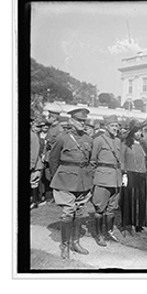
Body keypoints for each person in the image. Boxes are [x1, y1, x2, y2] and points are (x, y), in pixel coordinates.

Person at [48, 108, 94, 259]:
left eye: (84, 121)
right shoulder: (62, 138)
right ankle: (65, 245)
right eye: (79, 121)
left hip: (82, 181)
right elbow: (53, 159)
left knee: (80, 213)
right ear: (71, 121)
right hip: (65, 180)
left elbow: (90, 161)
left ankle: (75, 242)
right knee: (67, 214)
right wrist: (58, 177)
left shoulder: (88, 139)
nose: (82, 123)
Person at [90, 114, 123, 247]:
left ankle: (109, 232)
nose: (115, 128)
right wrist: (95, 178)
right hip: (102, 179)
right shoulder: (99, 140)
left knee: (111, 208)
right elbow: (92, 161)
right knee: (99, 209)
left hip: (115, 178)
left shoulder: (118, 141)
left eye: (117, 126)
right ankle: (99, 235)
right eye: (113, 126)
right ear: (106, 126)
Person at [119, 116, 147, 236]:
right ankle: (127, 224)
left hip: (141, 175)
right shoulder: (126, 143)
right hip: (130, 175)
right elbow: (121, 159)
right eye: (136, 131)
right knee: (128, 200)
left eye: (140, 131)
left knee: (141, 200)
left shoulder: (143, 144)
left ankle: (139, 224)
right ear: (132, 132)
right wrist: (124, 173)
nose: (138, 133)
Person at [30, 118, 45, 210]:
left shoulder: (33, 136)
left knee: (34, 182)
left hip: (35, 164)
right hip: (33, 163)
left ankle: (34, 201)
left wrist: (32, 164)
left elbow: (34, 151)